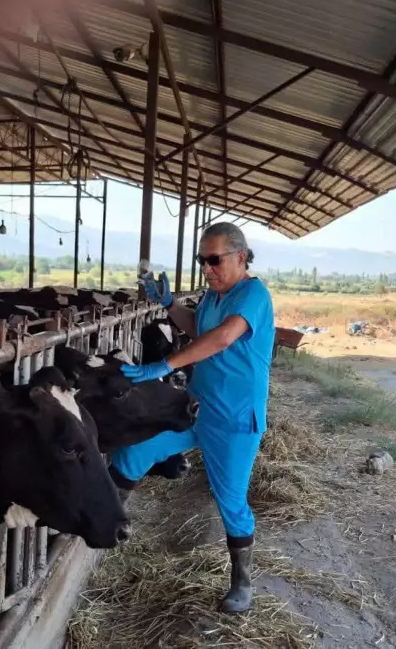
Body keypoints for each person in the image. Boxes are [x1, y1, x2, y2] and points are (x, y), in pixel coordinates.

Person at [112, 222, 275, 614]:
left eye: (214, 260)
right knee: (133, 450)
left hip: (235, 418)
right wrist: (170, 305)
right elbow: (198, 326)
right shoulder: (214, 296)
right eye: (203, 260)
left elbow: (222, 337)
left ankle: (242, 582)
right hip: (195, 407)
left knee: (230, 500)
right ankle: (109, 525)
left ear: (240, 257)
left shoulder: (253, 294)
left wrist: (163, 365)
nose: (207, 268)